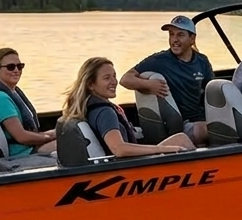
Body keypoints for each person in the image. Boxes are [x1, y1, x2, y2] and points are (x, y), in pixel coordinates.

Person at [66, 57, 195, 158]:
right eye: (106, 78)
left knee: (179, 138)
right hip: (128, 166)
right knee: (181, 140)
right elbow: (119, 149)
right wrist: (161, 149)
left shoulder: (88, 108)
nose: (114, 81)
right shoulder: (105, 112)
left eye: (114, 76)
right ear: (91, 84)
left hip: (122, 163)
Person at [120, 15, 214, 144]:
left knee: (225, 124)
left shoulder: (202, 61)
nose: (174, 39)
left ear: (192, 39)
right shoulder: (159, 60)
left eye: (180, 35)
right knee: (215, 130)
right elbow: (125, 79)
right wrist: (148, 84)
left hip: (200, 118)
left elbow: (211, 92)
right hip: (181, 126)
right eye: (171, 35)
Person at [0, 47, 57, 156]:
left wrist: (51, 134)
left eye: (20, 66)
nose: (16, 70)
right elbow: (21, 137)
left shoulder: (12, 92)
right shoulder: (0, 98)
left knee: (64, 134)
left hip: (28, 147)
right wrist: (48, 137)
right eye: (10, 67)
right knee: (72, 143)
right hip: (20, 153)